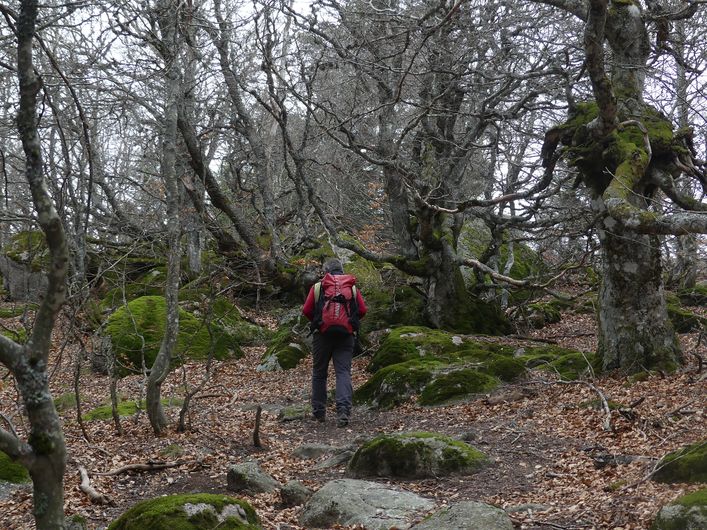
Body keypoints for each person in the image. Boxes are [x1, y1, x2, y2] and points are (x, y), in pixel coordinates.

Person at [302, 257, 367, 427]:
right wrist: (350, 322)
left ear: (326, 271)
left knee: (319, 373)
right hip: (346, 335)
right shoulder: (351, 287)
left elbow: (306, 310)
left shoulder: (319, 287)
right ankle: (343, 411)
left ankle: (319, 413)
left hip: (322, 335)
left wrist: (318, 322)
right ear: (341, 270)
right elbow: (362, 310)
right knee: (343, 372)